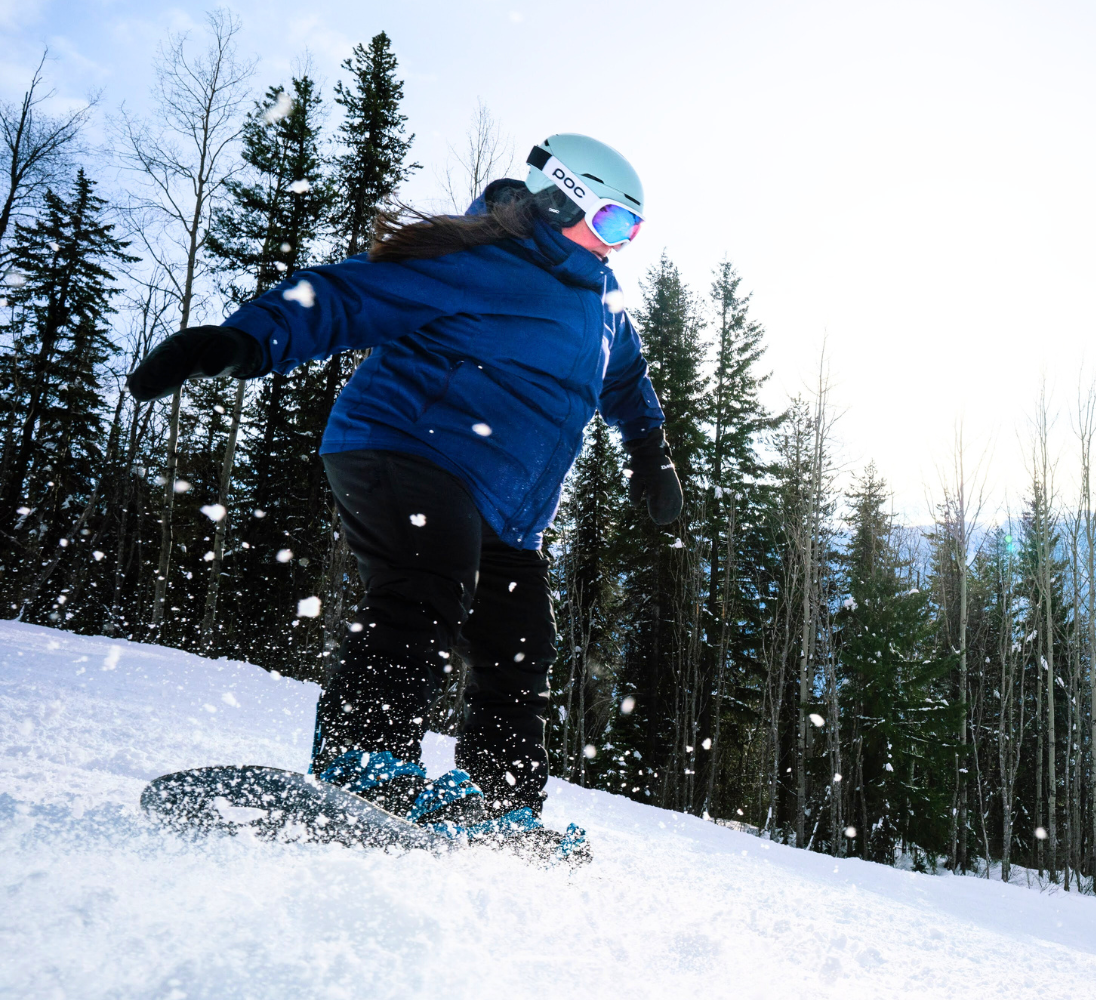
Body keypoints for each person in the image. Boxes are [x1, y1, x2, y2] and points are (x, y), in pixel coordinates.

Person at [127, 134, 682, 859]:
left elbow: (628, 383)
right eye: (612, 223)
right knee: (426, 582)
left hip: (508, 508)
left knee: (520, 646)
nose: (620, 244)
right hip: (407, 446)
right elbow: (346, 294)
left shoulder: (604, 306)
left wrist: (650, 454)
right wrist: (245, 341)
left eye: (632, 232)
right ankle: (362, 763)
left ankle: (500, 803)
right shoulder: (483, 261)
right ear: (561, 198)